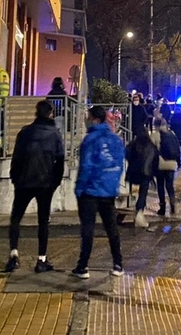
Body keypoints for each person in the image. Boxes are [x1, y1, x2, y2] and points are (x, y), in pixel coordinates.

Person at [5, 99, 66, 274]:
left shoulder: (25, 132)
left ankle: (13, 255)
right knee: (43, 221)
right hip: (45, 183)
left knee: (16, 218)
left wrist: (15, 178)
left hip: (24, 182)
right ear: (50, 114)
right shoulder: (54, 134)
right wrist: (55, 182)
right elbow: (60, 161)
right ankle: (41, 259)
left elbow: (16, 158)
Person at [72, 105, 125, 278]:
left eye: (88, 116)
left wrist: (79, 189)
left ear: (94, 119)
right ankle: (118, 264)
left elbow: (86, 166)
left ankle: (83, 266)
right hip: (108, 191)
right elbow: (118, 165)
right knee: (111, 228)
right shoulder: (116, 140)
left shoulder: (90, 139)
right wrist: (113, 185)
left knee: (88, 229)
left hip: (90, 191)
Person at [125, 126, 159, 228]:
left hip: (134, 172)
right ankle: (139, 212)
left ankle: (138, 213)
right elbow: (155, 159)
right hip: (146, 173)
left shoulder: (133, 144)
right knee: (143, 193)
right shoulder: (151, 145)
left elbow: (126, 154)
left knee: (138, 191)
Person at [153, 117, 181, 216]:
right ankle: (173, 204)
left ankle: (162, 207)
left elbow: (152, 150)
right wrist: (178, 162)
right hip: (172, 163)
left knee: (160, 186)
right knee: (169, 185)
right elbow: (177, 147)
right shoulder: (172, 134)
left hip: (160, 164)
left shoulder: (155, 135)